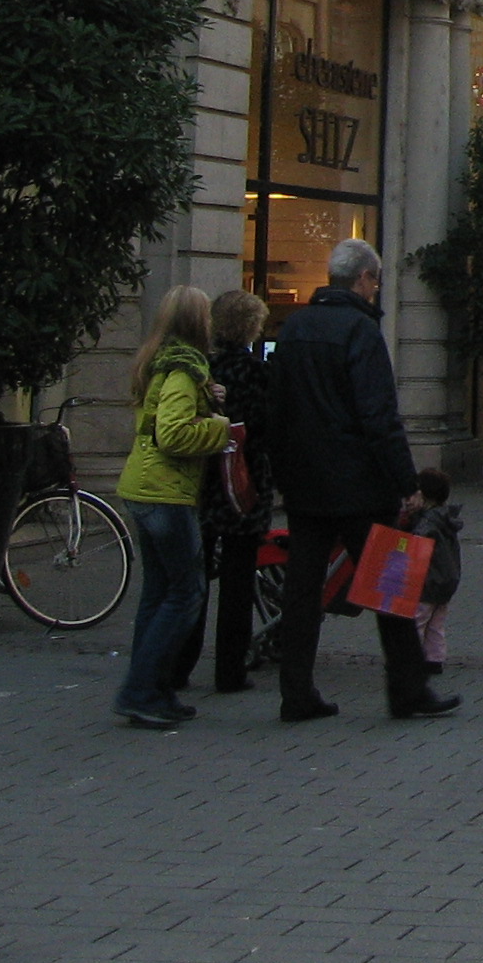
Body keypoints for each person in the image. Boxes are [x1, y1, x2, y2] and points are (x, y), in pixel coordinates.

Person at [269, 240, 451, 722]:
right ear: (364, 279)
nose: (375, 289)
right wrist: (406, 481)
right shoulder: (361, 331)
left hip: (306, 483)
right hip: (359, 484)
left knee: (302, 591)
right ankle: (408, 689)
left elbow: (277, 407)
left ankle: (295, 692)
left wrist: (282, 471)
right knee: (390, 587)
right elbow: (379, 416)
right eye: (375, 280)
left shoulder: (295, 328)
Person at [112, 286, 230, 728]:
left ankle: (153, 688)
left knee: (158, 593)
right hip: (167, 492)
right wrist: (220, 427)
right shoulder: (185, 367)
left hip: (142, 486)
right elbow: (173, 434)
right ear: (198, 322)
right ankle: (141, 690)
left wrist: (208, 398)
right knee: (186, 592)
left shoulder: (157, 361)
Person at [172, 287, 271, 697]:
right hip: (245, 484)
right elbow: (266, 430)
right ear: (251, 327)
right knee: (238, 582)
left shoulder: (203, 369)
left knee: (195, 579)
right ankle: (230, 670)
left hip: (204, 480)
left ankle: (180, 664)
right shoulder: (258, 373)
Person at [404, 468, 463, 677]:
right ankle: (435, 659)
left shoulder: (427, 522)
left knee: (417, 622)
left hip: (427, 582)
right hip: (447, 581)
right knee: (436, 623)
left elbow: (415, 546)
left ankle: (411, 660)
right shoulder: (446, 518)